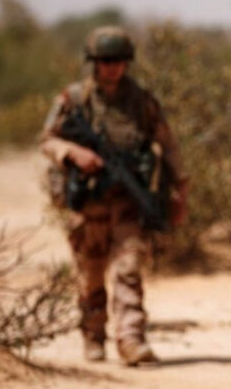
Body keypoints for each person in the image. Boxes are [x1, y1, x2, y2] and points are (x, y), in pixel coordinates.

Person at [39, 25, 188, 366]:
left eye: (120, 61)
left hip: (126, 200)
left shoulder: (141, 102)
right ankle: (93, 335)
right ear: (94, 62)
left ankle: (131, 337)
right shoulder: (74, 99)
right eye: (106, 61)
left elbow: (168, 145)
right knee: (90, 272)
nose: (113, 68)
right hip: (88, 200)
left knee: (129, 267)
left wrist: (180, 189)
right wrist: (74, 153)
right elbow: (47, 140)